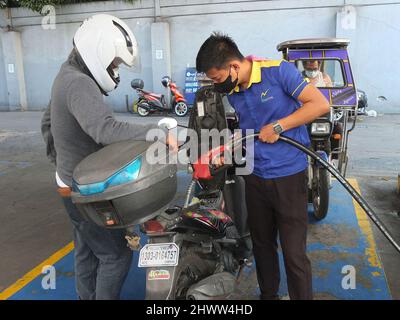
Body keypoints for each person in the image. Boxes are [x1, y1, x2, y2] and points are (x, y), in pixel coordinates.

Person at [41, 14, 176, 300]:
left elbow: (47, 124)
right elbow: (105, 129)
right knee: (115, 256)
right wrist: (157, 132)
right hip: (86, 190)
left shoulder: (65, 75)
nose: (115, 70)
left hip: (69, 183)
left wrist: (63, 165)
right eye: (114, 63)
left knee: (87, 249)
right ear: (98, 50)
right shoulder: (79, 83)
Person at [196, 32, 330, 300]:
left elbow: (319, 104)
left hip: (289, 176)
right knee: (262, 245)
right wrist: (226, 151)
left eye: (217, 79)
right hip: (255, 177)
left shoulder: (278, 72)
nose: (217, 86)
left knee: (293, 253)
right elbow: (246, 133)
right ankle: (268, 295)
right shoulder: (234, 91)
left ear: (234, 66)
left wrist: (280, 126)